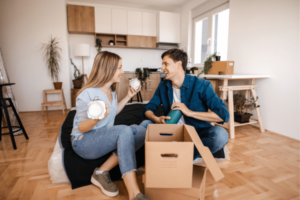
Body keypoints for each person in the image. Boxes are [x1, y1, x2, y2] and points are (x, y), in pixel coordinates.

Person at [71, 51, 149, 200]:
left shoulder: (111, 91)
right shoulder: (86, 94)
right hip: (82, 141)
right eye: (119, 67)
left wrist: (128, 97)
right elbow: (81, 127)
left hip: (102, 135)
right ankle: (134, 194)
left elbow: (112, 112)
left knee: (140, 131)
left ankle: (100, 172)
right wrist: (96, 119)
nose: (122, 71)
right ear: (108, 69)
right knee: (124, 131)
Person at [140, 49, 229, 160]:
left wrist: (190, 113)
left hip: (197, 132)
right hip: (171, 131)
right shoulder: (163, 86)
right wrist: (156, 119)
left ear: (179, 64)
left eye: (165, 64)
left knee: (221, 135)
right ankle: (178, 154)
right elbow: (149, 108)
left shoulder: (202, 85)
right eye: (162, 64)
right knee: (144, 125)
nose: (162, 68)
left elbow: (223, 114)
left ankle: (181, 158)